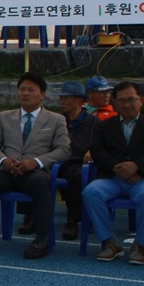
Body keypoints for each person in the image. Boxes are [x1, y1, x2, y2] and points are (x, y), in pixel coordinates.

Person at [0, 72, 71, 259]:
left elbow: (64, 150)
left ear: (42, 94)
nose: (25, 94)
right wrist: (4, 161)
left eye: (31, 90)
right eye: (22, 89)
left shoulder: (56, 119)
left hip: (35, 171)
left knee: (40, 185)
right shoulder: (5, 117)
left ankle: (41, 239)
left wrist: (35, 162)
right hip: (7, 170)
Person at [83, 81, 144, 264]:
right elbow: (97, 151)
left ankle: (140, 245)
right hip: (112, 177)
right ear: (115, 102)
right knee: (91, 192)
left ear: (141, 100)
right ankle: (110, 242)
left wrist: (136, 166)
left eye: (131, 100)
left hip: (143, 178)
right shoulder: (104, 125)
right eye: (122, 101)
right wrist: (117, 167)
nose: (127, 105)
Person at [50, 81, 97, 241]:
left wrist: (93, 151)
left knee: (78, 177)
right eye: (61, 98)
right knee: (34, 170)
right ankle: (31, 216)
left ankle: (73, 220)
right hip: (56, 160)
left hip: (78, 163)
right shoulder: (56, 120)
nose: (61, 101)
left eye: (66, 98)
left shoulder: (94, 123)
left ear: (79, 100)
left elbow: (103, 143)